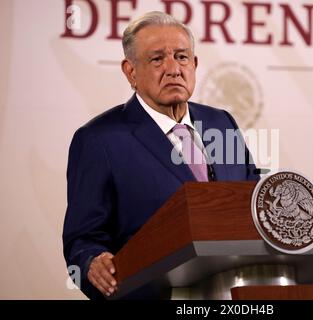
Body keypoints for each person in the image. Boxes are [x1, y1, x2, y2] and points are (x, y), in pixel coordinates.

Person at [62, 11, 259, 300]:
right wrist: (93, 261)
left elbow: (253, 197)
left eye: (181, 57)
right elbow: (83, 239)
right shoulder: (98, 140)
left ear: (194, 64)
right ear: (130, 72)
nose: (173, 69)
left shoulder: (221, 123)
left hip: (236, 293)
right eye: (157, 59)